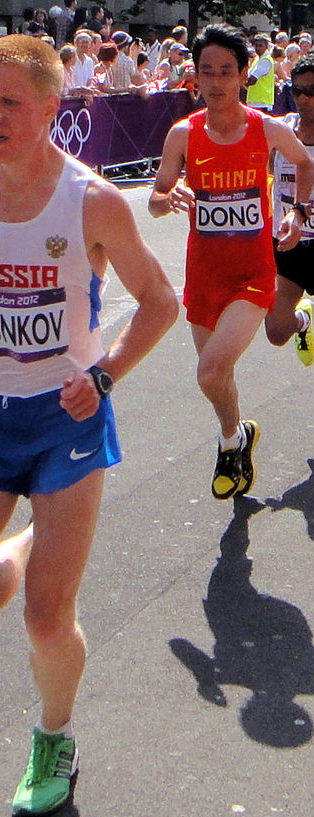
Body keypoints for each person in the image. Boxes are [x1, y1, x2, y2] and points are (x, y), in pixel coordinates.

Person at [0, 33, 178, 817]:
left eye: (8, 103)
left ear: (51, 109)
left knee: (45, 616)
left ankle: (53, 735)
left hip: (66, 419)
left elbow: (161, 303)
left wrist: (102, 377)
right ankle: (29, 540)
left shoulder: (91, 200)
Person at [149, 24, 314, 501]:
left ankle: (228, 442)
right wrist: (169, 195)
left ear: (245, 75)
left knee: (209, 370)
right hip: (204, 274)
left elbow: (304, 163)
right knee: (217, 376)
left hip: (253, 272)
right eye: (207, 72)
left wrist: (297, 214)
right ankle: (235, 437)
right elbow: (157, 198)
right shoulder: (183, 134)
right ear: (194, 78)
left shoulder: (267, 128)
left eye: (226, 71)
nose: (216, 82)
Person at [265, 54, 314, 365]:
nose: (303, 98)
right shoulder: (282, 130)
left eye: (311, 91)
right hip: (287, 245)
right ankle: (304, 321)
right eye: (297, 90)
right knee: (276, 331)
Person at [246, 32, 275, 112]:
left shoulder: (265, 60)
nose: (258, 48)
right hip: (255, 101)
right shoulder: (257, 59)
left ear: (266, 46)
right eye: (256, 45)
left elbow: (251, 80)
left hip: (262, 103)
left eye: (261, 45)